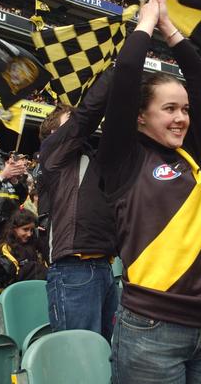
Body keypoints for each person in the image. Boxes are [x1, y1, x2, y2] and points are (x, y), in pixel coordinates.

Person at [98, 0, 201, 383]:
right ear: (139, 116)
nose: (182, 118)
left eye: (184, 110)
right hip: (155, 330)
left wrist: (171, 28)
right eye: (169, 109)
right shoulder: (123, 158)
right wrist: (146, 23)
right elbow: (128, 72)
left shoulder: (194, 153)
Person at [39, 72, 118, 343]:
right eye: (69, 123)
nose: (77, 126)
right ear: (54, 133)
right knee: (79, 357)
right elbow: (87, 117)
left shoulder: (92, 159)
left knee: (107, 356)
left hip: (105, 267)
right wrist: (118, 67)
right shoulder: (53, 155)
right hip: (74, 269)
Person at [0, 208, 47, 285]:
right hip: (19, 291)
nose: (29, 234)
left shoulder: (34, 245)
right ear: (13, 228)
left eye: (32, 230)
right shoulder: (6, 247)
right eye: (25, 229)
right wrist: (35, 267)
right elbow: (15, 274)